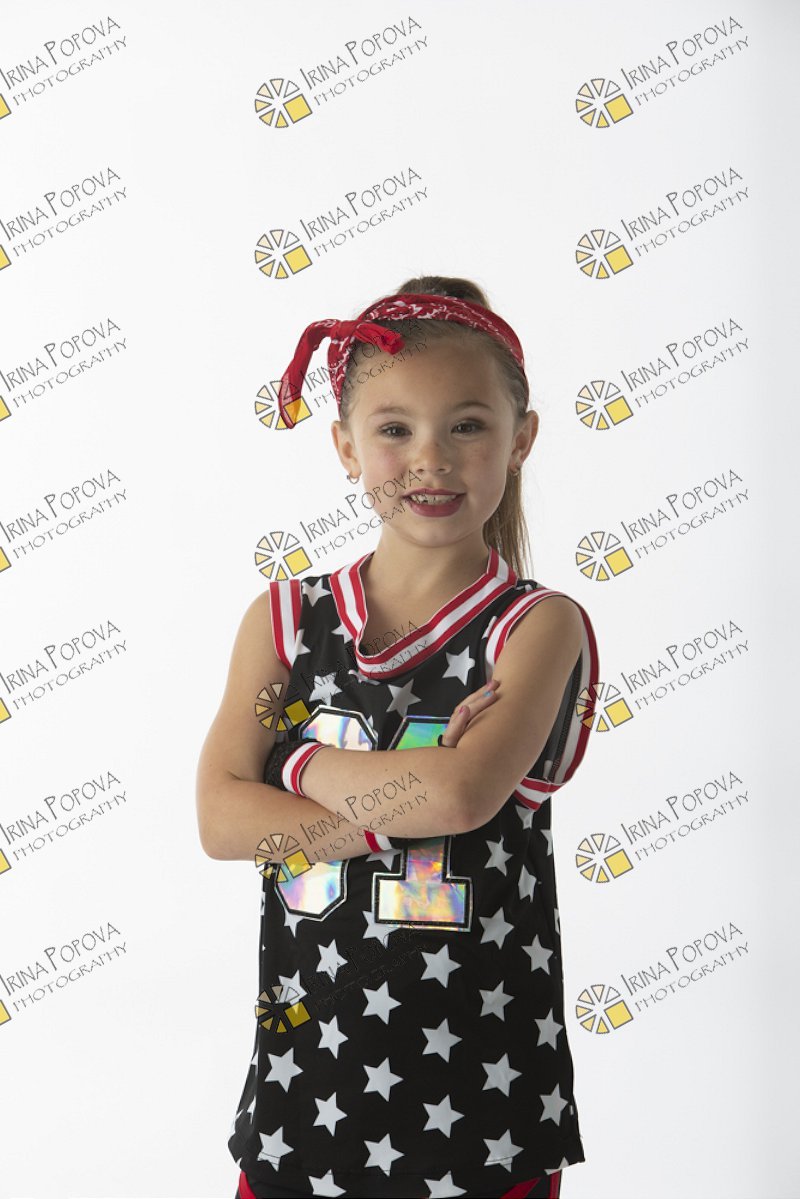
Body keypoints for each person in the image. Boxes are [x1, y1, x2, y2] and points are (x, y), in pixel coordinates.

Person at [196, 275, 600, 1199]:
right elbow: (220, 818)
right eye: (394, 429)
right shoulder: (287, 619)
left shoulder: (535, 626)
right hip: (303, 1105)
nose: (431, 459)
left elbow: (460, 794)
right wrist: (402, 797)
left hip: (486, 1112)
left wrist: (294, 762)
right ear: (345, 446)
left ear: (521, 439)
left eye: (468, 425)